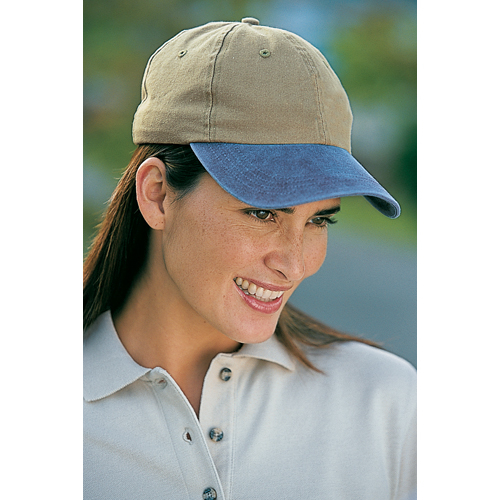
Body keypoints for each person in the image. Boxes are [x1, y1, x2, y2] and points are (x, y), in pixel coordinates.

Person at [83, 18, 416, 500]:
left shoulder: (385, 403)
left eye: (320, 220)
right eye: (262, 212)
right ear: (157, 195)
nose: (294, 264)